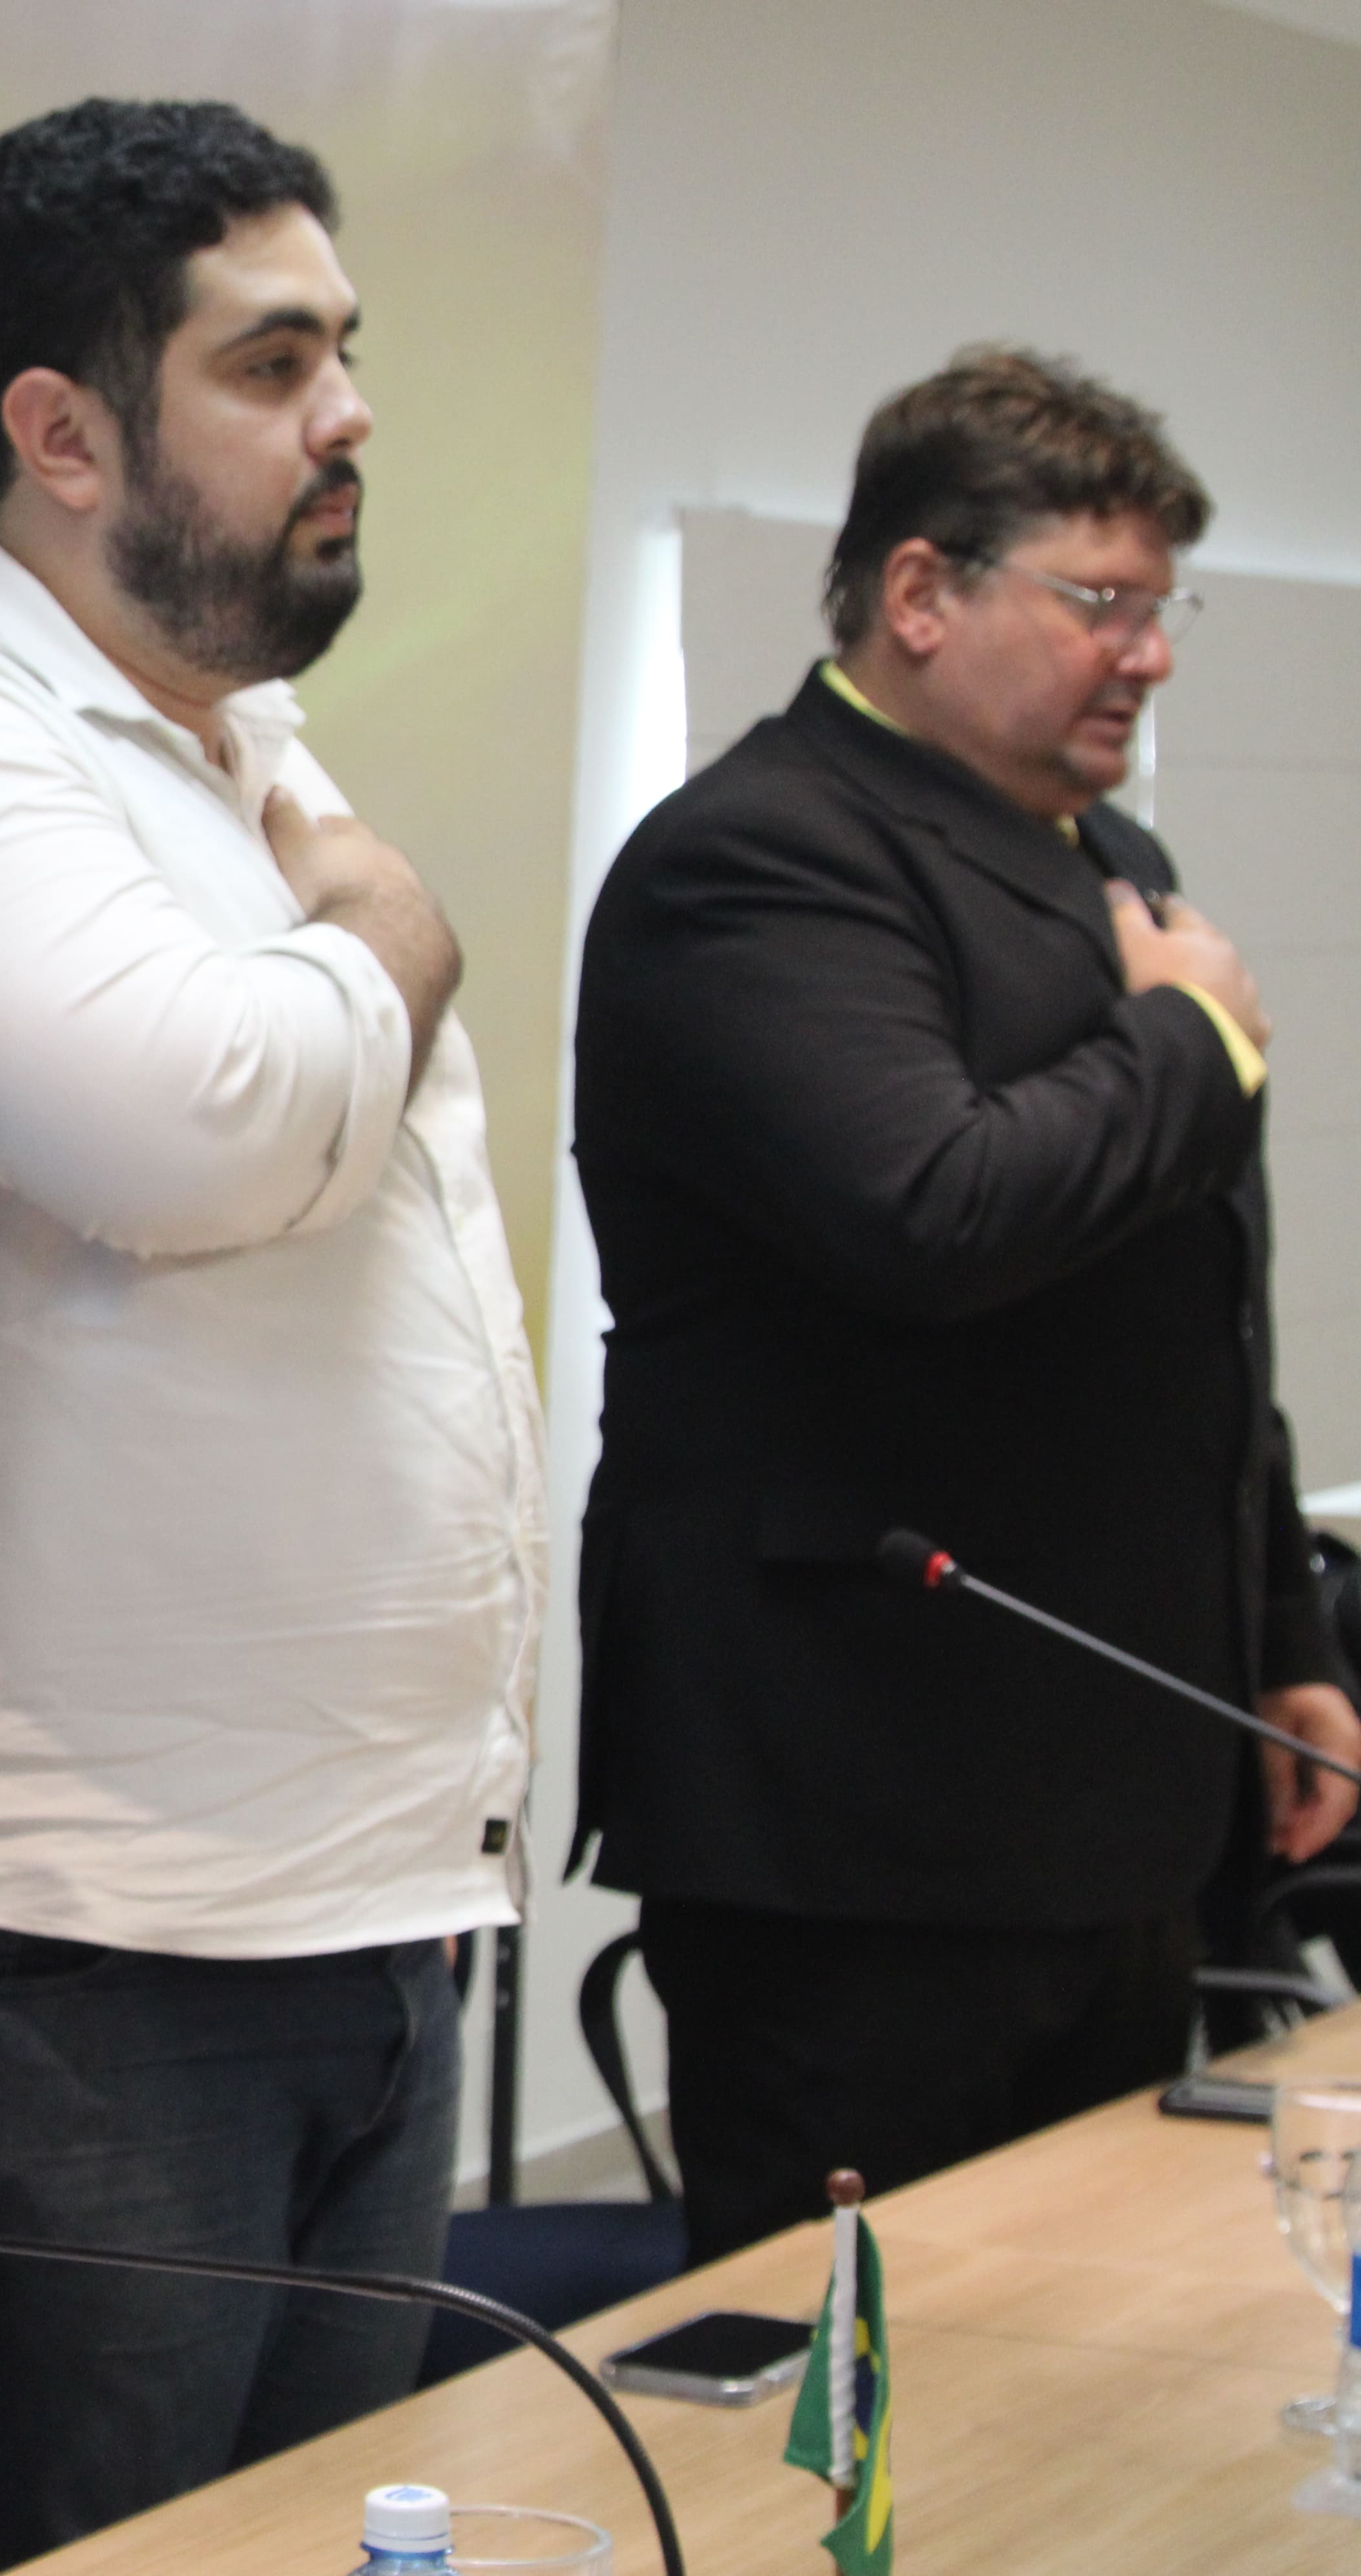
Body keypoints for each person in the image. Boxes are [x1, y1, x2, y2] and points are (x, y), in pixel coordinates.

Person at [0, 99, 543, 2573]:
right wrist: (395, 923)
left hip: (344, 1912)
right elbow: (209, 1130)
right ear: (58, 434)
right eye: (271, 365)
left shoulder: (240, 749)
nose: (349, 415)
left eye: (344, 352)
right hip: (43, 1961)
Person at [574, 348, 1361, 2262]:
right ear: (921, 593)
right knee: (871, 2376)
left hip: (1117, 1777)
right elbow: (932, 1210)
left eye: (1162, 608)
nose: (1147, 655)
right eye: (1100, 602)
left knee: (1093, 2350)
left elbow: (1201, 1302)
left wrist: (1273, 1633)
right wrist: (1189, 1042)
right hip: (865, 1816)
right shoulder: (758, 856)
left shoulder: (1117, 863)